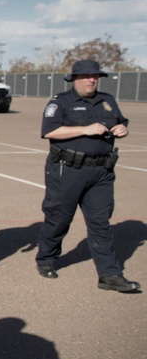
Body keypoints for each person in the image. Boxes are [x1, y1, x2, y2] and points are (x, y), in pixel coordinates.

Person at [34, 59, 139, 292]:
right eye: (86, 76)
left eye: (95, 76)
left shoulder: (107, 101)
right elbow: (49, 130)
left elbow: (121, 122)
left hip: (101, 172)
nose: (92, 80)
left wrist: (124, 129)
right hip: (68, 170)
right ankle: (46, 258)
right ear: (75, 79)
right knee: (59, 217)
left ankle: (110, 274)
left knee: (101, 223)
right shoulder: (61, 102)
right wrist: (85, 129)